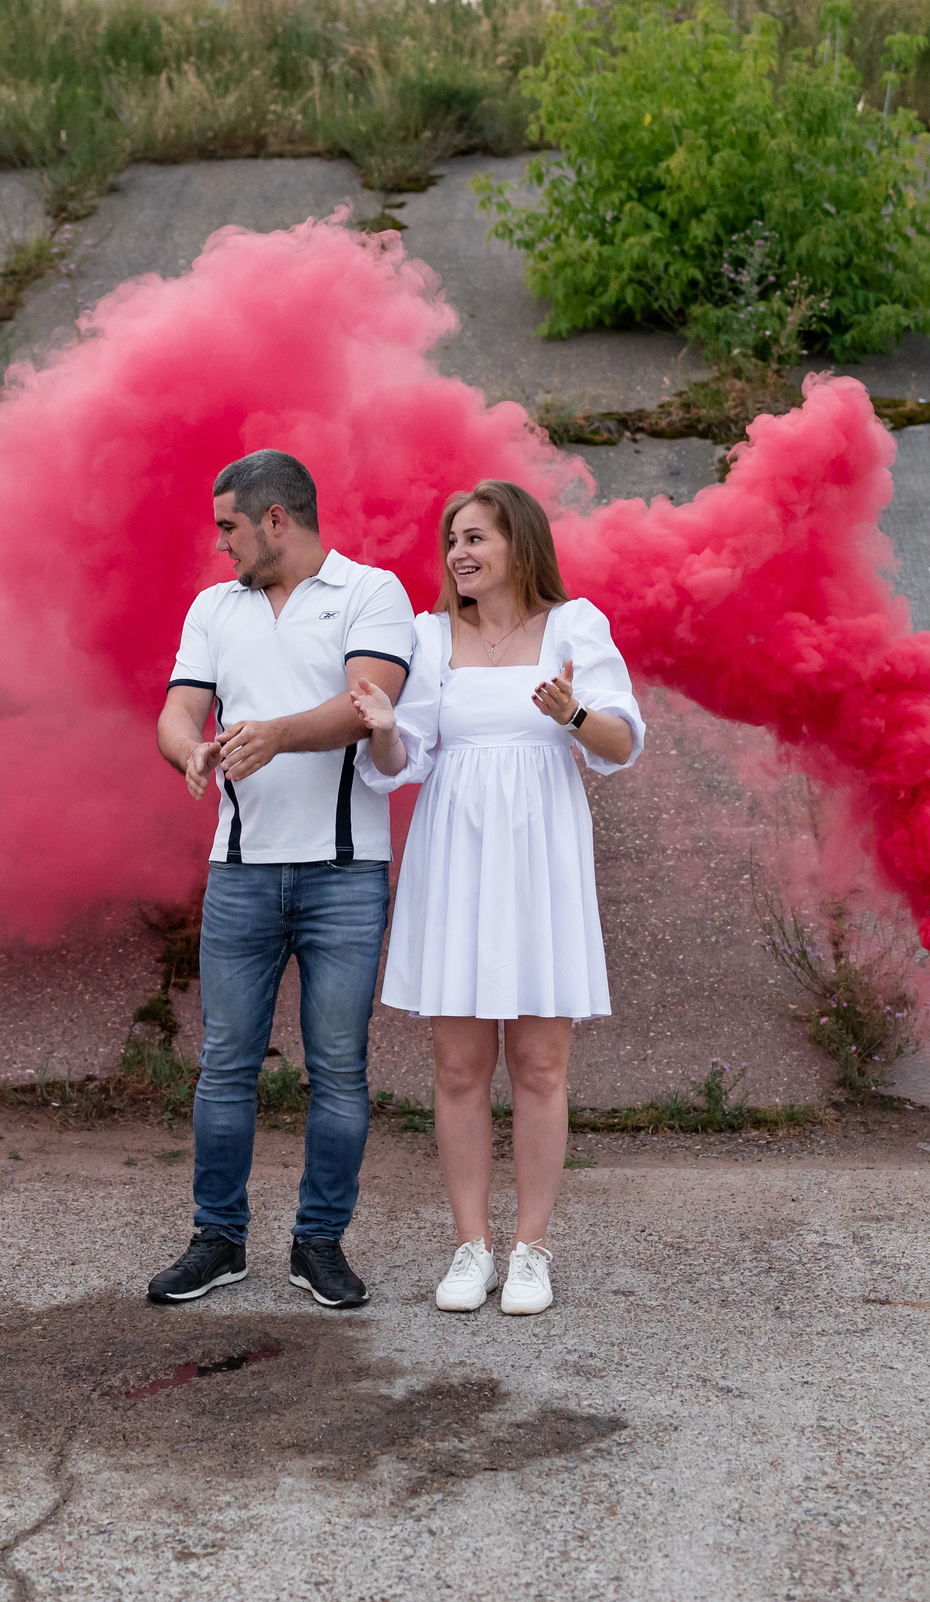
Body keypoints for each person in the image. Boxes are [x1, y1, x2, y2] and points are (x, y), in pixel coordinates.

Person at [348, 480, 642, 1317]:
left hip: (541, 858)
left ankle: (532, 1250)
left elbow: (620, 741)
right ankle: (470, 1246)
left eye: (476, 537)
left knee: (542, 1065)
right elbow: (410, 760)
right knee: (458, 1066)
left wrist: (574, 710)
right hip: (458, 858)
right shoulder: (430, 636)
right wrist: (381, 727)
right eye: (452, 541)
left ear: (520, 541)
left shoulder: (575, 626)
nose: (459, 554)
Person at [149, 449, 416, 1310]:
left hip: (345, 873)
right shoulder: (211, 606)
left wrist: (272, 736)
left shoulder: (372, 592)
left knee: (337, 1066)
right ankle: (218, 1239)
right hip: (237, 873)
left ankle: (319, 1245)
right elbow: (178, 708)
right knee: (225, 1063)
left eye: (229, 525)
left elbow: (366, 702)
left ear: (275, 520)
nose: (219, 543)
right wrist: (189, 745)